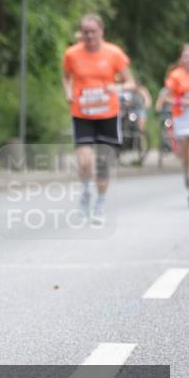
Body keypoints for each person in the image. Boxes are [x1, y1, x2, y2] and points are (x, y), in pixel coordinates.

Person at [62, 14, 134, 224]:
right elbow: (66, 77)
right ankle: (85, 191)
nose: (89, 35)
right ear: (81, 33)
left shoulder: (114, 53)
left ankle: (100, 203)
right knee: (84, 160)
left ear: (101, 31)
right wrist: (68, 92)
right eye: (85, 32)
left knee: (102, 164)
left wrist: (117, 87)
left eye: (93, 31)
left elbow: (131, 83)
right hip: (82, 113)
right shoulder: (72, 54)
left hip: (107, 113)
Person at [158, 43, 189, 204]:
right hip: (182, 116)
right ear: (181, 58)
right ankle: (186, 173)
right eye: (186, 56)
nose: (188, 59)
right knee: (185, 150)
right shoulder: (176, 75)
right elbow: (166, 97)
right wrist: (181, 101)